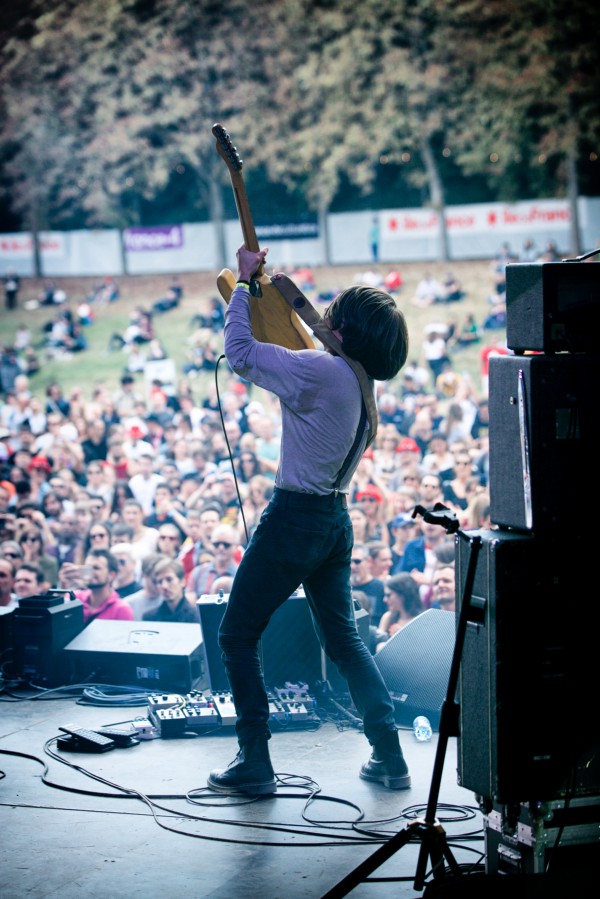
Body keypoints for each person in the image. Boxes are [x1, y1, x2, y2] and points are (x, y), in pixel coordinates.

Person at [207, 244, 410, 797]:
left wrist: (246, 287)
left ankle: (255, 761)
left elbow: (242, 354)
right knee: (345, 641)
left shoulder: (323, 372)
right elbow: (311, 341)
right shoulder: (363, 387)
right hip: (334, 521)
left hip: (295, 516)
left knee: (236, 633)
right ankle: (390, 756)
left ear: (342, 330)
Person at [66, 549, 134, 624]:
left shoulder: (121, 610)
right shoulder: (75, 598)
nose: (89, 572)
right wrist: (64, 584)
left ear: (111, 575)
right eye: (87, 567)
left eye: (96, 568)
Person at [143, 558, 199, 623]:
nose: (164, 586)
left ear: (182, 582)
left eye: (169, 579)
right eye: (160, 582)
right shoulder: (150, 618)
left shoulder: (197, 617)